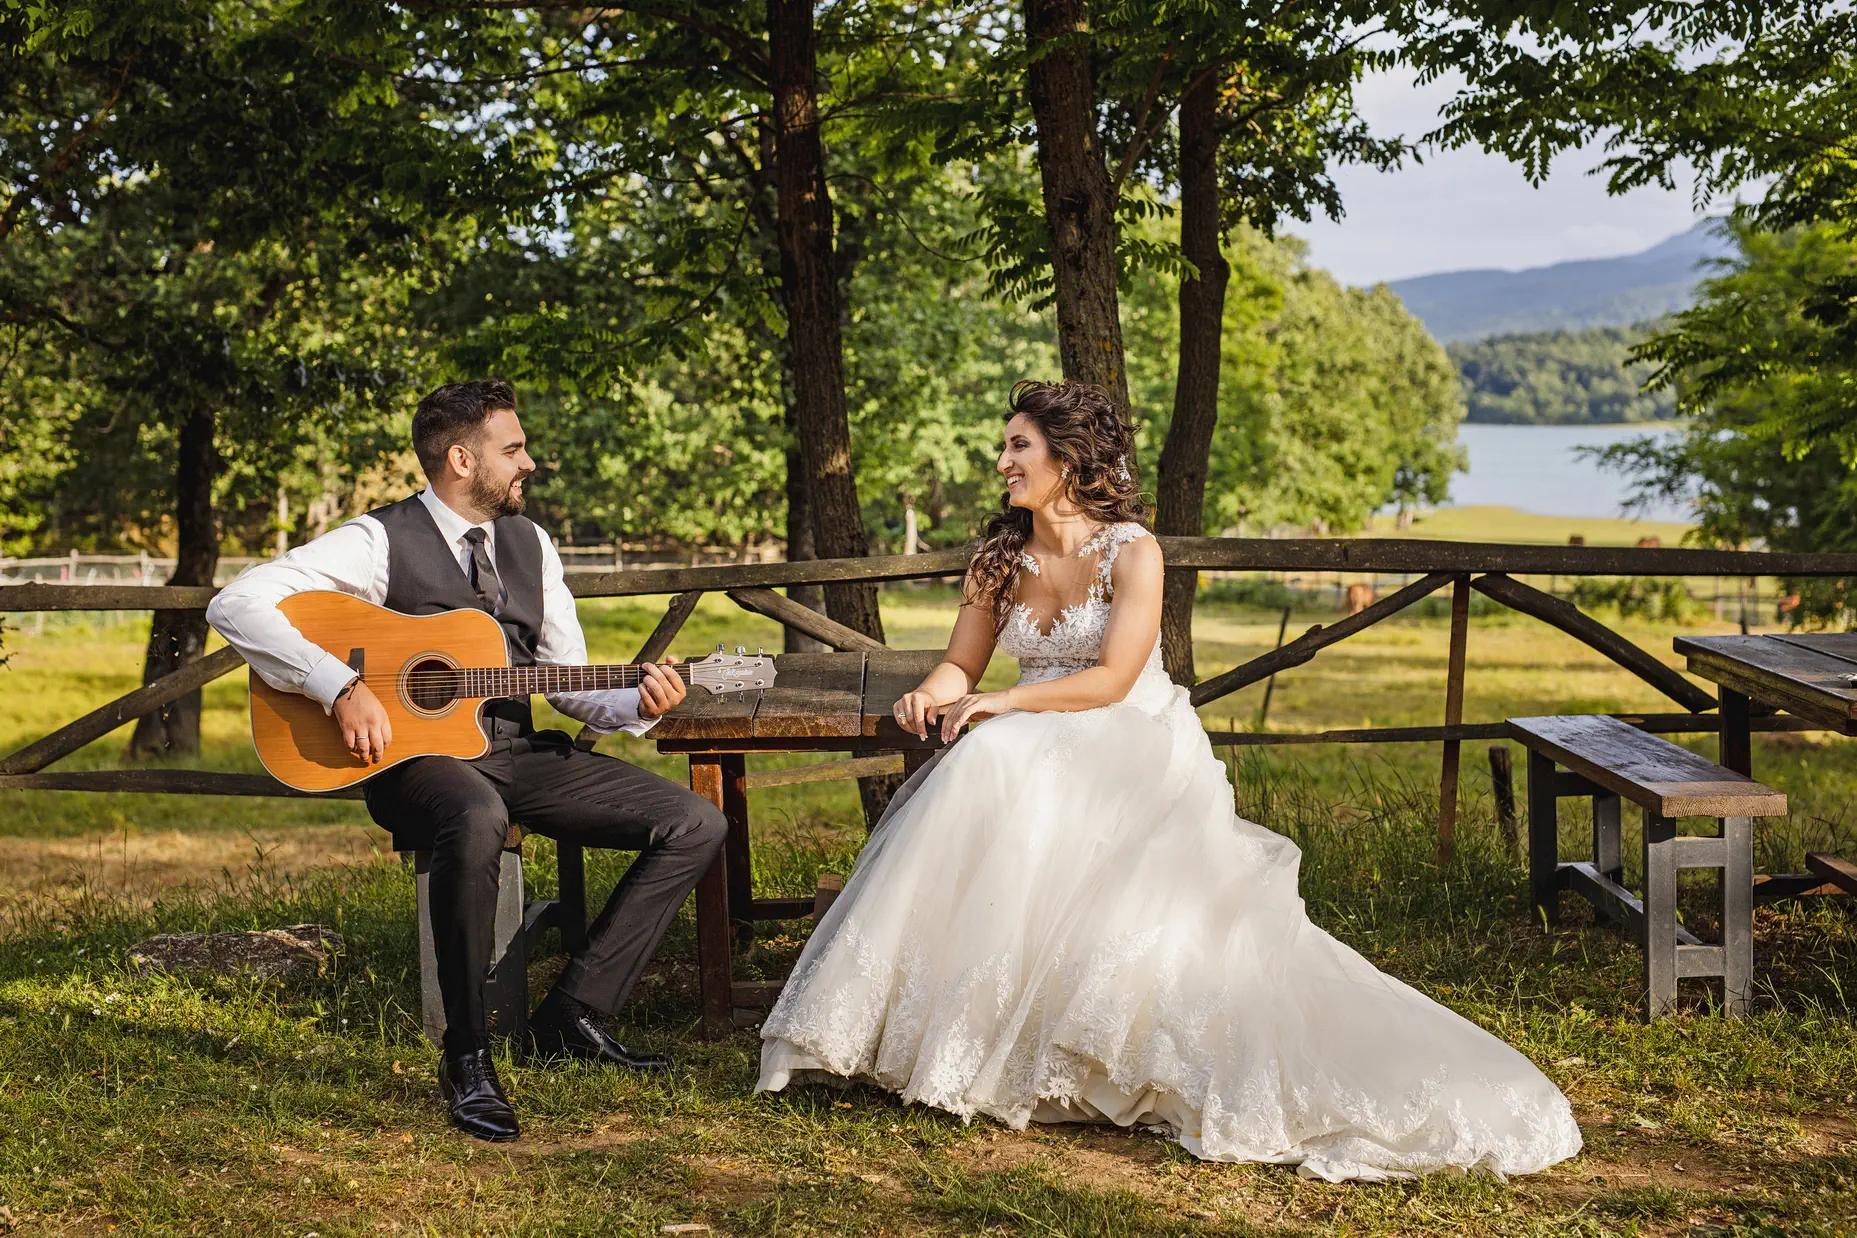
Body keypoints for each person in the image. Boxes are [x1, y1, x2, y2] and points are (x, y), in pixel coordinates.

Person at [756, 380, 1582, 1181]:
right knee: (988, 760)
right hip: (1033, 729)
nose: (1001, 460)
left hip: (1126, 735)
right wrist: (934, 694)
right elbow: (957, 663)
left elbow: (1114, 678)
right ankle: (971, 1035)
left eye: (1018, 446)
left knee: (999, 756)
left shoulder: (1132, 550)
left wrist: (1005, 702)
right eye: (1004, 446)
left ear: (1069, 459)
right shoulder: (996, 558)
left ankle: (1098, 1045)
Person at [207, 379, 727, 1143]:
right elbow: (236, 604)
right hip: (412, 765)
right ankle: (467, 1054)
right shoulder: (378, 540)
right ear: (460, 459)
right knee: (476, 815)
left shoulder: (531, 544)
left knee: (694, 820)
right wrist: (340, 684)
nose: (531, 464)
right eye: (513, 449)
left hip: (518, 751)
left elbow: (572, 683)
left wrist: (637, 705)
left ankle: (573, 1013)